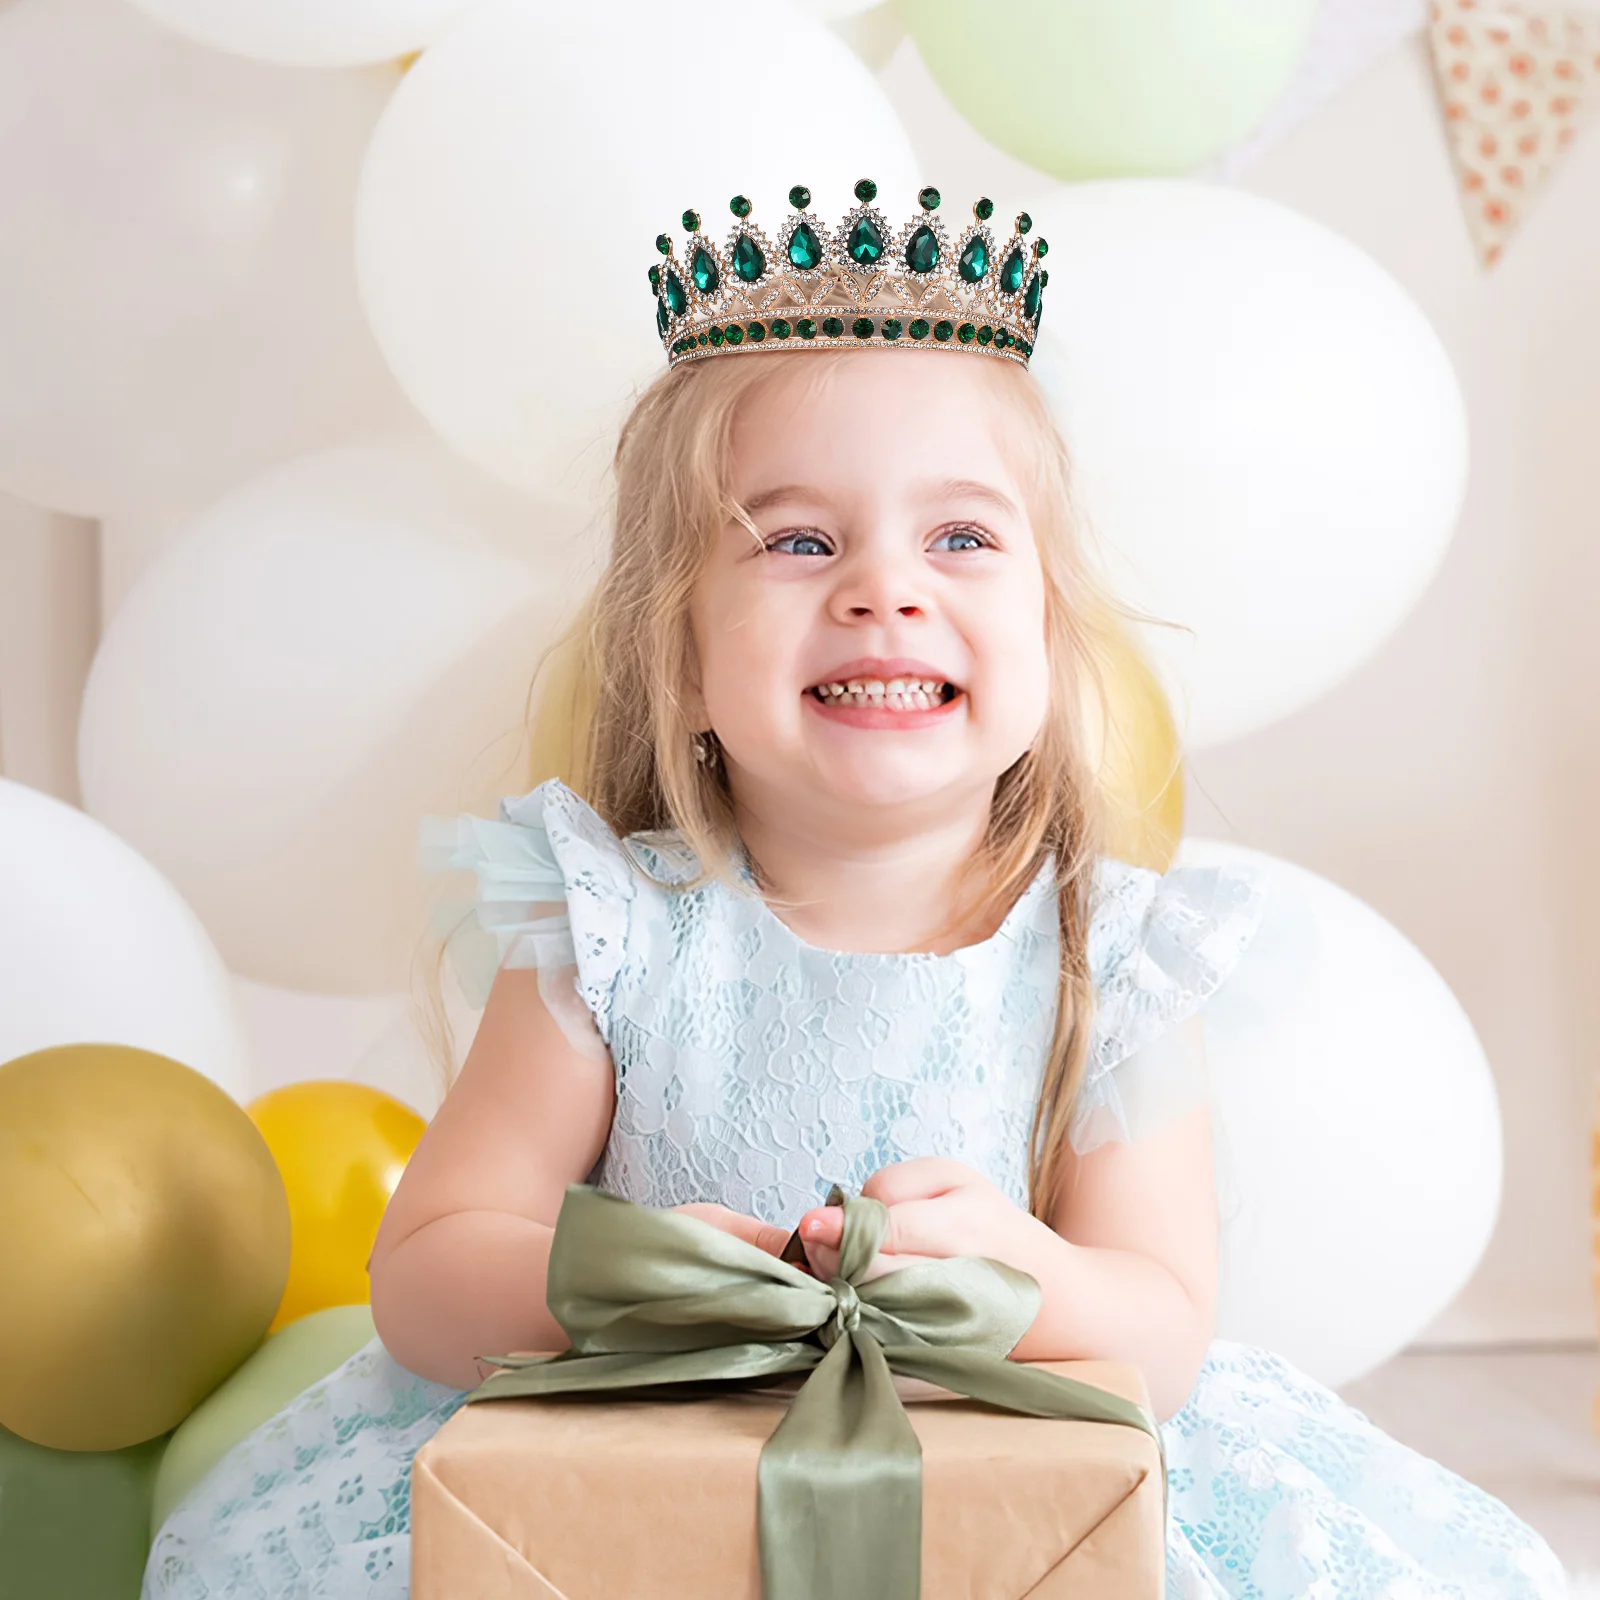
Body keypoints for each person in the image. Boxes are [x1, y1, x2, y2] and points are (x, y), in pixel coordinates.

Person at [143, 184, 1568, 1600]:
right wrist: (620, 1281)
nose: (885, 590)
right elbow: (428, 1276)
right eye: (799, 541)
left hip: (1006, 1508)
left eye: (960, 539)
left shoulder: (1111, 957)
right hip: (629, 1503)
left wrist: (1016, 1267)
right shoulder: (610, 938)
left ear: (1052, 637)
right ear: (682, 655)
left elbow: (1163, 1328)